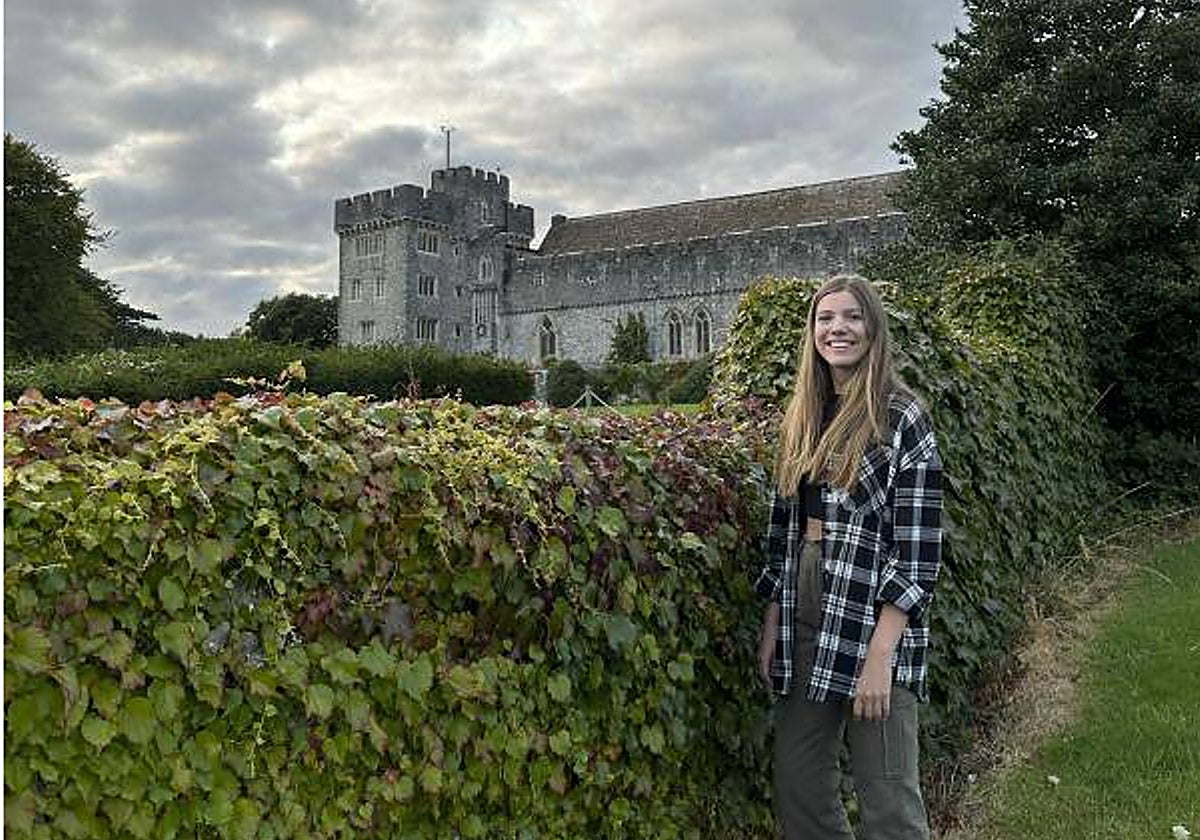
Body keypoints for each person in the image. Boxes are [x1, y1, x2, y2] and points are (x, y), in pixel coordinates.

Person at [754, 274, 943, 840]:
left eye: (852, 317)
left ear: (873, 328)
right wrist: (772, 623)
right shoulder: (804, 417)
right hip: (805, 614)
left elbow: (917, 553)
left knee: (887, 801)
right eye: (825, 318)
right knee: (799, 783)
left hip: (871, 619)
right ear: (812, 332)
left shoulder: (901, 418)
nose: (838, 328)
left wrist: (881, 657)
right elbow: (783, 532)